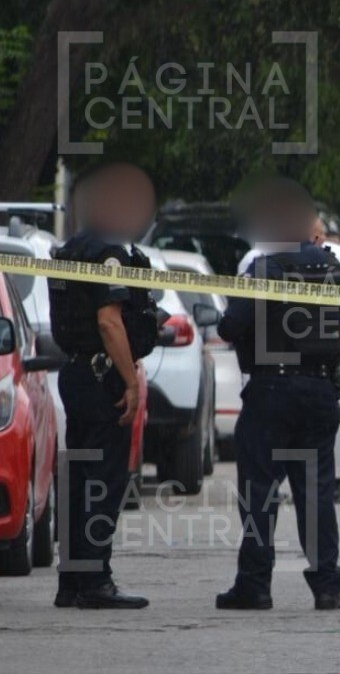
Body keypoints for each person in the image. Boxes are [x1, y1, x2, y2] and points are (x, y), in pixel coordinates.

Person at [216, 177, 340, 610]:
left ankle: (255, 584)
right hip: (320, 391)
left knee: (259, 493)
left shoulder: (265, 268)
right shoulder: (334, 268)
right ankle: (327, 585)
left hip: (272, 391)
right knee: (317, 494)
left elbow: (230, 325)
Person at [49, 163, 161, 608]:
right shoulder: (107, 252)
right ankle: (95, 580)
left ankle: (72, 581)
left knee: (79, 481)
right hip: (101, 378)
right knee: (104, 481)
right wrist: (131, 382)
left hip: (76, 373)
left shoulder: (70, 247)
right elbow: (109, 320)